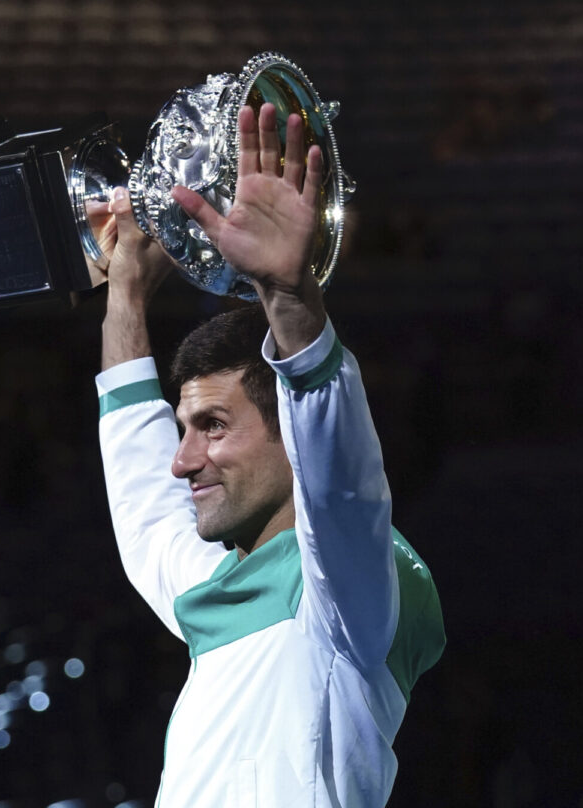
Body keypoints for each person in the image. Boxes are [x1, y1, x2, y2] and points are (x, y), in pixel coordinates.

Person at [94, 102, 446, 806]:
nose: (182, 460)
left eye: (214, 427)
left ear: (293, 434)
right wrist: (125, 294)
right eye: (185, 427)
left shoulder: (346, 594)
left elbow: (344, 490)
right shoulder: (215, 589)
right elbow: (141, 497)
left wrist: (290, 299)